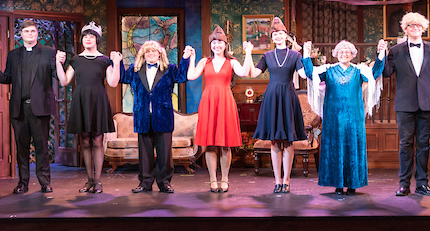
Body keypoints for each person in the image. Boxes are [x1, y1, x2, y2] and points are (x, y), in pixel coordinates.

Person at [376, 12, 430, 197]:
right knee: (405, 144)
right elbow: (386, 73)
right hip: (405, 104)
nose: (415, 28)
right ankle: (404, 184)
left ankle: (422, 184)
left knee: (423, 145)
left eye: (418, 25)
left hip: (427, 103)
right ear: (406, 29)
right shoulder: (396, 50)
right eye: (411, 25)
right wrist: (380, 54)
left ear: (423, 28)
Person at [302, 40, 385, 195]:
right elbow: (309, 73)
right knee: (336, 148)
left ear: (352, 54)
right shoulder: (328, 70)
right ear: (336, 54)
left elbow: (376, 73)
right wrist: (306, 53)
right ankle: (338, 185)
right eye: (341, 51)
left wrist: (381, 53)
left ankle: (353, 184)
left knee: (352, 148)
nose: (344, 53)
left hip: (354, 117)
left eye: (347, 51)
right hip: (333, 118)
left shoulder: (360, 70)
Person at [0, 20, 61, 194]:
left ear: (37, 34)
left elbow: (57, 75)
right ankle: (23, 183)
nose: (30, 34)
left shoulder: (49, 53)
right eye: (26, 31)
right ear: (21, 34)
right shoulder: (13, 55)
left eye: (33, 31)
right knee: (22, 148)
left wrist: (61, 62)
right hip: (19, 109)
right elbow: (8, 78)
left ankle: (45, 182)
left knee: (42, 146)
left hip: (40, 108)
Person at [55, 22, 121, 194]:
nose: (88, 39)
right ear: (82, 40)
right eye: (85, 37)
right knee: (85, 141)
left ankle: (98, 181)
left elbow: (113, 83)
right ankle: (89, 180)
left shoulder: (104, 60)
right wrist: (57, 63)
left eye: (91, 36)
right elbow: (64, 81)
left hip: (98, 100)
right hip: (81, 100)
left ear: (97, 39)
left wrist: (117, 63)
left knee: (97, 140)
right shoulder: (76, 60)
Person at [187, 26, 254, 193]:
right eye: (214, 43)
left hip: (225, 102)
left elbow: (244, 73)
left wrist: (248, 53)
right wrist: (192, 58)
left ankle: (224, 179)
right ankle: (212, 180)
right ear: (211, 45)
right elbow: (191, 76)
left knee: (225, 145)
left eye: (220, 43)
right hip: (209, 102)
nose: (217, 45)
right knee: (210, 145)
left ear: (225, 45)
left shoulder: (232, 62)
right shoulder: (204, 61)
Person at [121, 40, 193, 193]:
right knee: (145, 153)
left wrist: (185, 58)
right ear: (143, 55)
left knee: (164, 153)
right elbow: (122, 78)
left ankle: (164, 182)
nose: (151, 54)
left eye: (154, 51)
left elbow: (182, 77)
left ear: (160, 54)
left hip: (163, 116)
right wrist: (118, 61)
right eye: (148, 52)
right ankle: (145, 183)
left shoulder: (169, 68)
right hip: (143, 116)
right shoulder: (135, 70)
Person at [249, 17, 307, 194]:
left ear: (286, 36)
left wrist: (306, 56)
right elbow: (253, 74)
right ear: (272, 37)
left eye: (281, 33)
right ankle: (277, 181)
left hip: (288, 96)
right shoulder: (266, 56)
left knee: (288, 141)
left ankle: (287, 181)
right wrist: (248, 55)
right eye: (275, 34)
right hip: (272, 97)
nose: (278, 36)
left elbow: (304, 75)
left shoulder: (295, 55)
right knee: (275, 141)